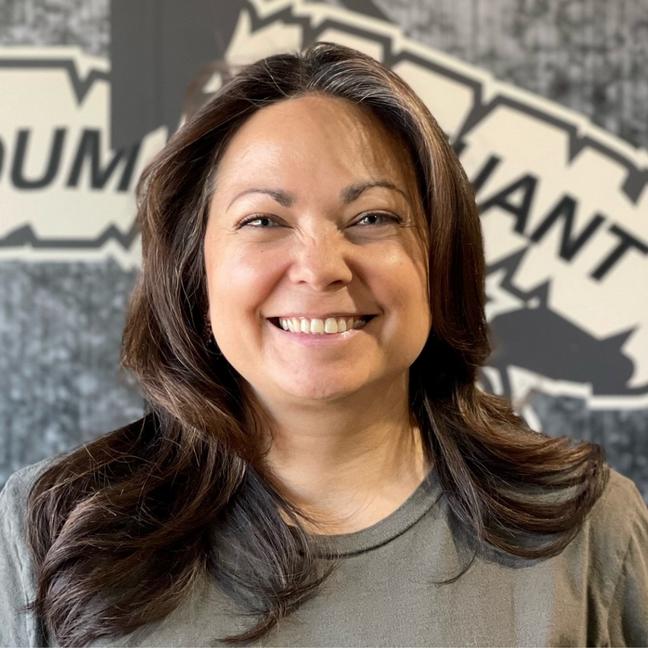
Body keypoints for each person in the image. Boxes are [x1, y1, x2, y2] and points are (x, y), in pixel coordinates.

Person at [1, 41, 647, 648]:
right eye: (263, 220)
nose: (319, 268)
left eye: (372, 218)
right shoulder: (49, 526)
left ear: (441, 259)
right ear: (194, 273)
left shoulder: (588, 529)